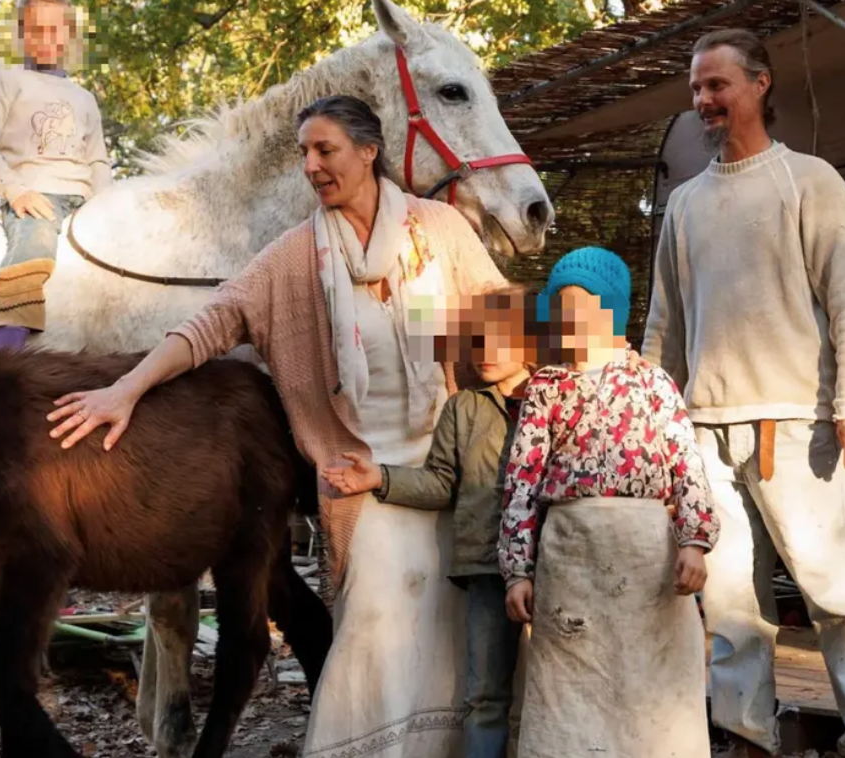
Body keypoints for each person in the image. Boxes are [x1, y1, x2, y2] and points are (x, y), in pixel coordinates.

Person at [46, 95, 511, 758]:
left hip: (451, 465)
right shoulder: (296, 258)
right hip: (360, 472)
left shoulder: (438, 229)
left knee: (451, 622)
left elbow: (501, 315)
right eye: (304, 153)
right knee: (376, 620)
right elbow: (212, 322)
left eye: (326, 150)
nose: (312, 166)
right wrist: (125, 388)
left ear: (369, 151)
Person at [642, 28, 845, 758]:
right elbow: (663, 326)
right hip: (704, 432)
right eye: (696, 89)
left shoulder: (809, 181)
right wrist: (656, 427)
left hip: (798, 423)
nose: (704, 100)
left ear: (760, 84)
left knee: (837, 593)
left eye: (717, 84)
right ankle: (747, 735)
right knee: (729, 604)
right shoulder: (686, 206)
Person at [499, 246, 718, 758]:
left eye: (582, 309)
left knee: (649, 682)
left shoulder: (653, 383)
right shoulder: (546, 389)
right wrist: (517, 570)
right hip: (571, 563)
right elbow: (521, 482)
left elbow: (686, 464)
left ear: (613, 312)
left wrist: (695, 541)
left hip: (647, 564)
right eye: (561, 309)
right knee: (570, 686)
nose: (569, 321)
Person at [320, 286, 539, 758]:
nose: (484, 352)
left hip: (557, 564)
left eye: (499, 338)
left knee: (556, 687)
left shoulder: (558, 398)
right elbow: (442, 484)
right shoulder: (463, 409)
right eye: (476, 340)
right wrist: (379, 477)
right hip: (488, 568)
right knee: (484, 695)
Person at [0, 0, 113, 351]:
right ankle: (2, 352)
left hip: (85, 201)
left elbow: (98, 162)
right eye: (35, 30)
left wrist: (108, 206)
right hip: (35, 197)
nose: (45, 38)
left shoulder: (84, 98)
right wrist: (16, 191)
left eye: (54, 29)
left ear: (69, 34)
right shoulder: (5, 82)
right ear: (22, 35)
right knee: (36, 245)